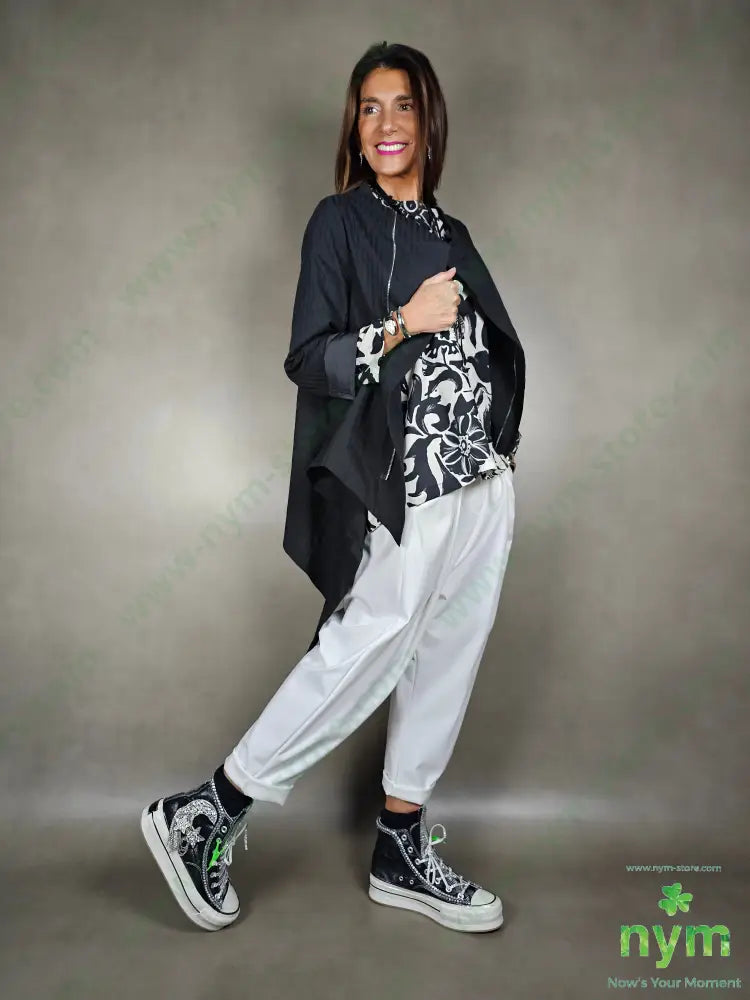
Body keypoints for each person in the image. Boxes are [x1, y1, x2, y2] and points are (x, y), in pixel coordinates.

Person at [141, 41, 525, 936]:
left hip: (482, 481)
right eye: (368, 108)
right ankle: (210, 809)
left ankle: (401, 845)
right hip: (407, 481)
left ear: (430, 120)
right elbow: (309, 357)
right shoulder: (339, 222)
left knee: (448, 657)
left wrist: (500, 443)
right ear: (354, 127)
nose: (385, 124)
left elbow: (483, 348)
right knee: (367, 646)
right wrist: (402, 324)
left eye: (403, 105)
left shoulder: (453, 233)